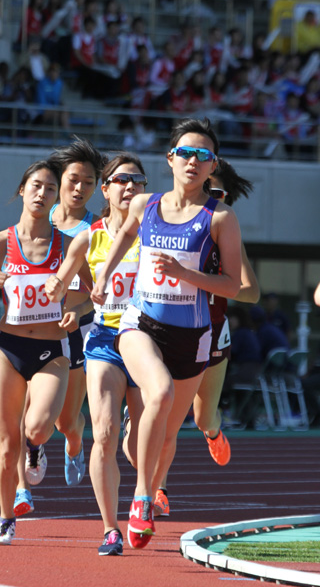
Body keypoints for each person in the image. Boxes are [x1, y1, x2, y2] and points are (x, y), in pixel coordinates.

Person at [90, 117, 242, 549]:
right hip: (141, 325)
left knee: (169, 434)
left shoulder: (220, 218)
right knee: (159, 392)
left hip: (192, 337)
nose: (193, 161)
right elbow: (123, 237)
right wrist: (104, 276)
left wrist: (184, 274)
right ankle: (141, 498)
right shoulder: (146, 205)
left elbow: (233, 285)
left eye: (203, 155)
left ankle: (153, 486)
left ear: (212, 166)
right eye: (186, 153)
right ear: (171, 159)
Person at [0, 159, 79, 545]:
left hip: (52, 350)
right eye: (36, 185)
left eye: (51, 188)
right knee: (6, 448)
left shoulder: (66, 245)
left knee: (36, 427)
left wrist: (75, 310)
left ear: (57, 198)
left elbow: (92, 291)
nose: (42, 193)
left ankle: (36, 448)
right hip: (8, 349)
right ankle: (6, 517)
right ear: (22, 190)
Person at [127, 157, 261, 517]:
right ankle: (158, 488)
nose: (208, 196)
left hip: (211, 331)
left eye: (216, 193)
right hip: (164, 323)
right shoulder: (170, 221)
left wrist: (203, 279)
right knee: (163, 404)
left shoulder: (224, 230)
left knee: (201, 418)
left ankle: (213, 432)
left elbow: (251, 292)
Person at [45, 153, 147, 556]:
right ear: (105, 190)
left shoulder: (156, 233)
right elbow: (62, 280)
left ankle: (145, 493)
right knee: (102, 432)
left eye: (137, 180)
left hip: (149, 341)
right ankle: (110, 529)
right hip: (105, 340)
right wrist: (54, 289)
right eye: (121, 180)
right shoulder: (90, 237)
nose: (130, 186)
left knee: (138, 448)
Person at [13, 137, 106, 516]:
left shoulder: (97, 229)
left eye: (89, 182)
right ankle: (22, 486)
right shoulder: (39, 212)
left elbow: (99, 292)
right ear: (58, 180)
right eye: (73, 180)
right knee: (23, 412)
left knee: (67, 420)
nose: (80, 188)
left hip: (77, 331)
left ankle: (74, 444)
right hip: (29, 329)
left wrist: (79, 308)